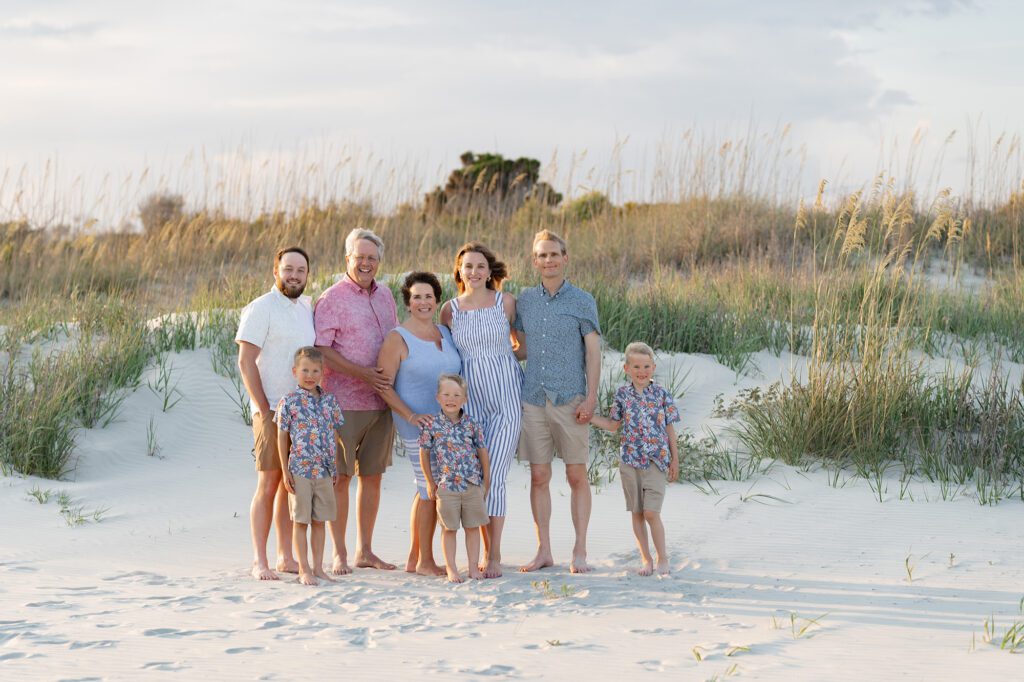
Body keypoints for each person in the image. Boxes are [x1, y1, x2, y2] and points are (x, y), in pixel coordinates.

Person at [514, 229, 602, 574]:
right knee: (538, 476)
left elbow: (593, 352)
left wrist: (591, 398)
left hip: (571, 399)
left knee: (577, 476)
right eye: (542, 255)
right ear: (534, 261)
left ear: (565, 258)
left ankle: (580, 550)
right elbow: (521, 346)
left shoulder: (583, 300)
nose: (548, 260)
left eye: (554, 254)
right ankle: (544, 550)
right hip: (533, 398)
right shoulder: (525, 300)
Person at [314, 228, 399, 573]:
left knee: (373, 477)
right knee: (341, 478)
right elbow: (321, 349)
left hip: (381, 403)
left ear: (379, 262)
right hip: (343, 403)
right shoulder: (331, 298)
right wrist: (361, 373)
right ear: (347, 259)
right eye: (359, 257)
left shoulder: (386, 295)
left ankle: (365, 550)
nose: (365, 263)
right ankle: (339, 553)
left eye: (372, 258)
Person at [440, 242, 523, 579]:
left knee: (496, 476)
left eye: (479, 266)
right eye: (467, 266)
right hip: (471, 401)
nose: (473, 272)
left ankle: (494, 554)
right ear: (459, 271)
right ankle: (475, 550)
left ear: (490, 271)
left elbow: (521, 343)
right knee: (477, 476)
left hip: (507, 396)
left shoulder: (505, 302)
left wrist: (505, 363)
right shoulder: (450, 310)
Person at [236, 246, 315, 581]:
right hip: (270, 410)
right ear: (276, 271)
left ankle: (285, 556)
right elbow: (246, 361)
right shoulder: (261, 308)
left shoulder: (306, 308)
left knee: (289, 484)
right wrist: (265, 410)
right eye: (288, 269)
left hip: (301, 411)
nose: (294, 275)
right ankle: (260, 560)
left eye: (300, 270)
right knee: (268, 482)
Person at [377, 272, 462, 577]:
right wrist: (411, 415)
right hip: (416, 424)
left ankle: (416, 558)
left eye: (428, 296)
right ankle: (424, 560)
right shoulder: (397, 337)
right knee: (429, 487)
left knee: (426, 488)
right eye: (416, 297)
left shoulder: (445, 332)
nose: (423, 302)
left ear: (437, 300)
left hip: (445, 425)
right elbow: (383, 385)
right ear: (408, 302)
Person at [589, 342, 680, 576]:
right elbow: (613, 425)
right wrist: (589, 418)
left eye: (647, 366)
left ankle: (662, 557)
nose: (642, 371)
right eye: (637, 366)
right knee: (637, 513)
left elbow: (670, 429)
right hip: (630, 461)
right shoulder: (622, 394)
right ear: (627, 368)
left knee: (652, 512)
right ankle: (646, 559)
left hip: (656, 460)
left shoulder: (661, 394)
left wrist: (675, 460)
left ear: (654, 367)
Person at [276, 347, 345, 586]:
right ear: (295, 371)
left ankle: (318, 567)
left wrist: (335, 465)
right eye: (305, 370)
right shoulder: (289, 401)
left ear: (323, 373)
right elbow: (282, 436)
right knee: (301, 521)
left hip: (324, 471)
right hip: (300, 470)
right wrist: (285, 471)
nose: (310, 375)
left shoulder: (329, 401)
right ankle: (303, 568)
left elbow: (335, 433)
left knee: (320, 520)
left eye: (316, 370)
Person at [419, 374, 491, 583]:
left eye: (457, 395)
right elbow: (424, 453)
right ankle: (451, 568)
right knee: (449, 528)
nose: (451, 399)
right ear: (438, 397)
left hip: (471, 484)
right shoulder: (431, 425)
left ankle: (472, 568)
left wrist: (486, 479)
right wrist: (430, 482)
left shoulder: (472, 424)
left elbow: (482, 451)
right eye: (446, 394)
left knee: (472, 527)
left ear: (464, 399)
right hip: (446, 485)